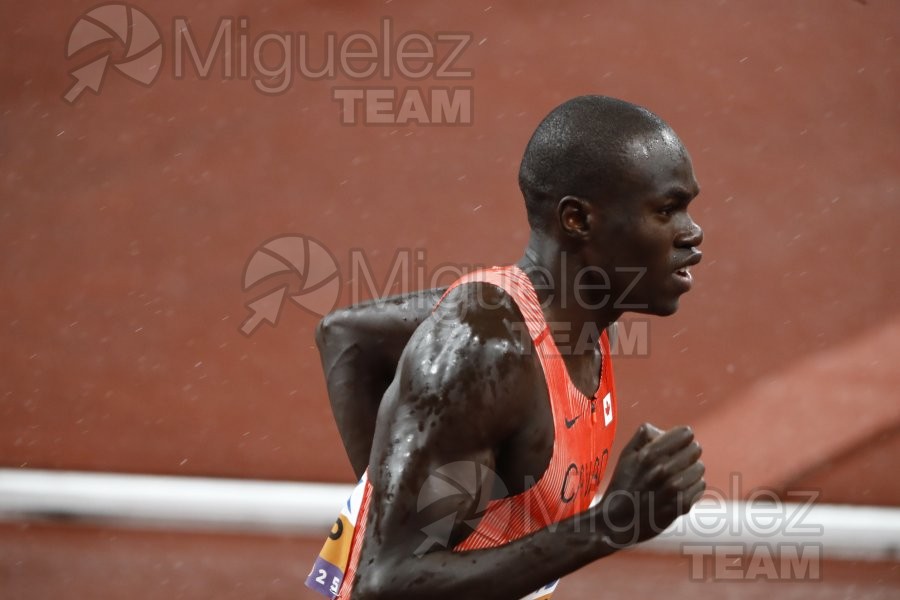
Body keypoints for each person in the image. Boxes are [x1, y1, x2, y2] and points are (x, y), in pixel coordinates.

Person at [306, 95, 706, 600]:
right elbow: (385, 584)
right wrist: (611, 523)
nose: (692, 233)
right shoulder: (487, 351)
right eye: (668, 210)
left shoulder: (576, 318)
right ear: (578, 220)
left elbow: (348, 334)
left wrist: (395, 488)